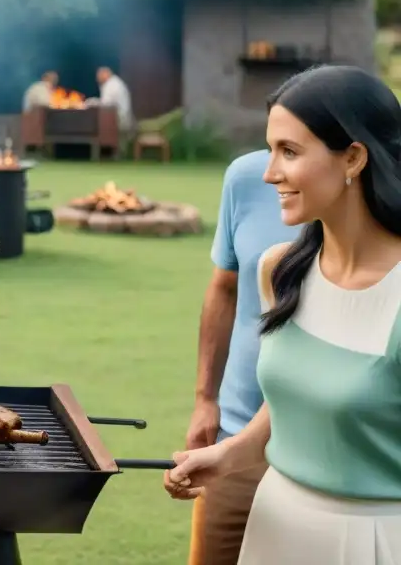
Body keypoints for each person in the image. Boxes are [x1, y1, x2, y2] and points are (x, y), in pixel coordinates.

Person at [165, 65, 401, 564]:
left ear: (353, 158)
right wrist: (228, 454)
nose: (269, 171)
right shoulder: (281, 270)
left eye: (289, 152)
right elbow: (292, 404)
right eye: (270, 148)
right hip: (277, 527)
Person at [185, 150, 298, 565]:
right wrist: (205, 399)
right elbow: (224, 287)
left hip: (329, 467)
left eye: (290, 148)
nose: (271, 171)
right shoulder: (247, 178)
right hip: (234, 442)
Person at [92, 66, 134, 132]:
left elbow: (105, 106)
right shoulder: (115, 81)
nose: (97, 79)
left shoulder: (111, 85)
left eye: (99, 76)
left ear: (105, 74)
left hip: (119, 122)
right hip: (121, 119)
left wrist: (92, 103)